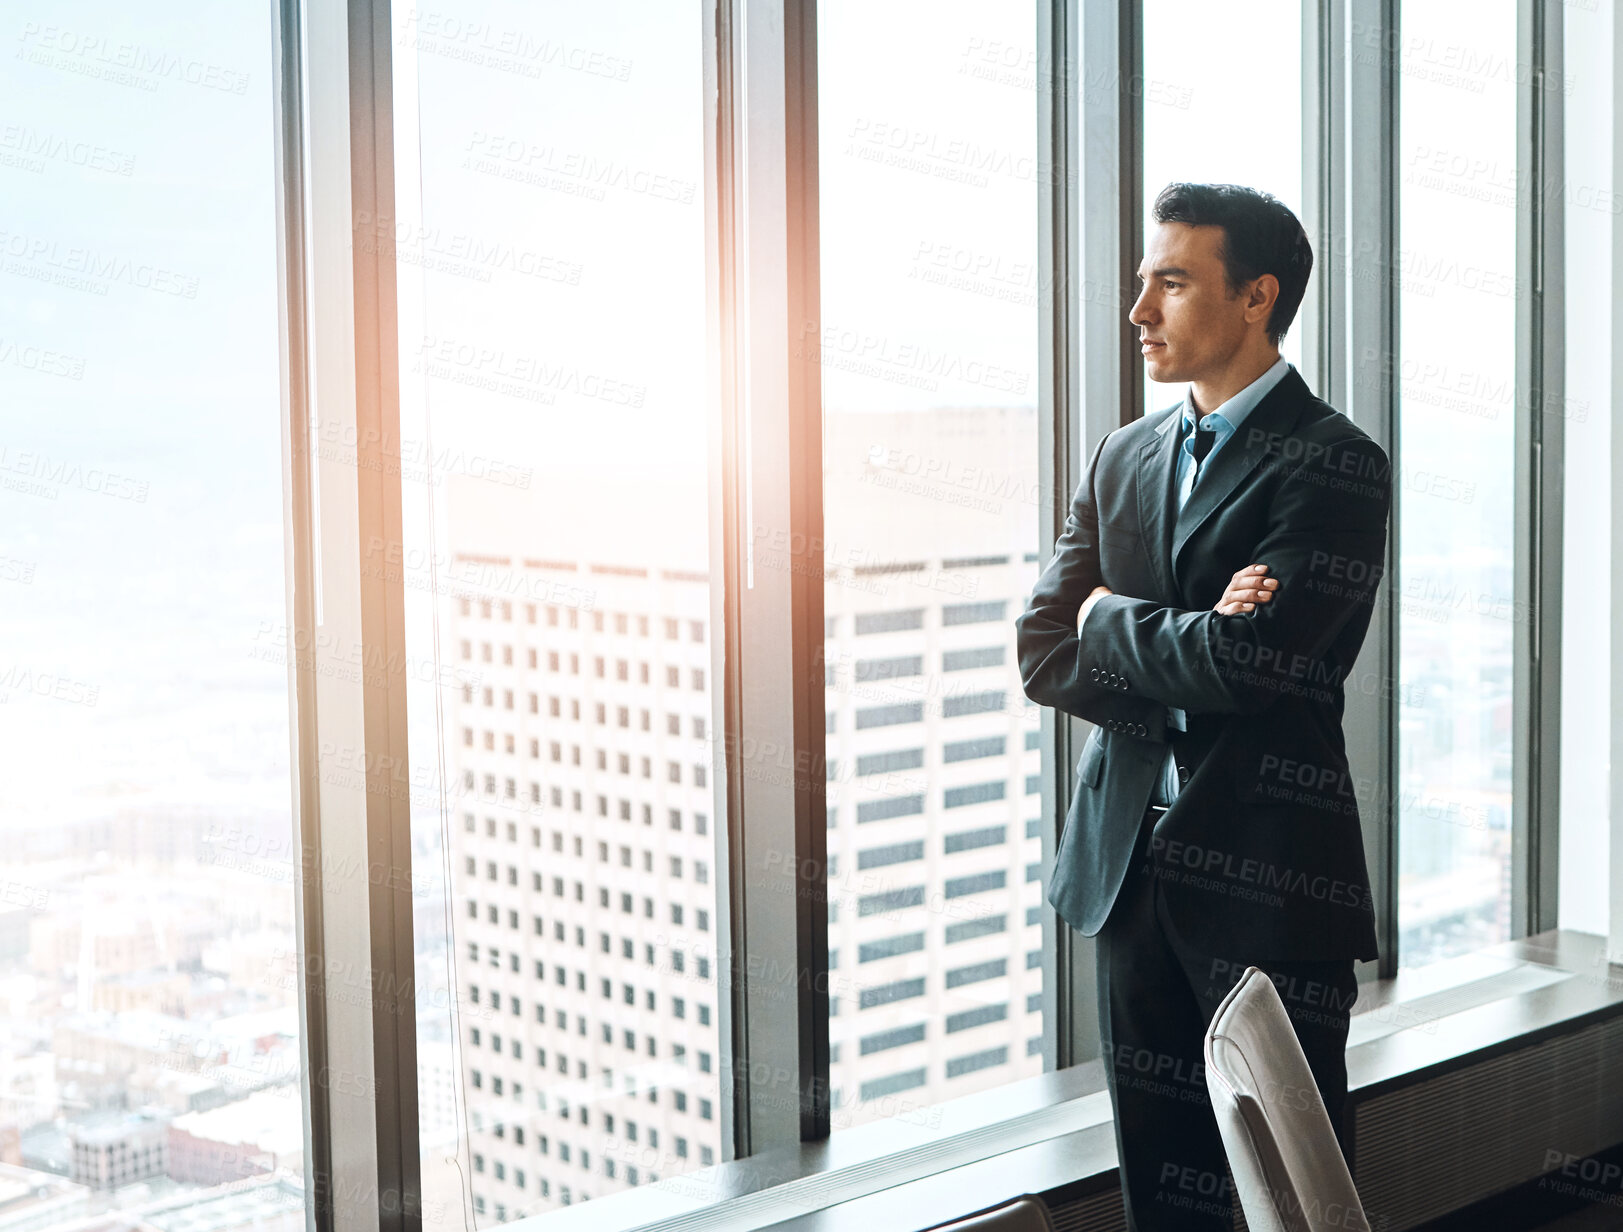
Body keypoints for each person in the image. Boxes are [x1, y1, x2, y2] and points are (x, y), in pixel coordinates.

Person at [1015, 181, 1391, 1231]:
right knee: (1163, 1195)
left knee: (1293, 1197)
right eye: (1145, 281)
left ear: (1257, 296)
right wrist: (1172, 628)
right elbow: (1044, 650)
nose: (1141, 310)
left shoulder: (1337, 462)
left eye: (1171, 282)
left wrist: (1110, 613)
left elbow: (1250, 668)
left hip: (1271, 883)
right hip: (1125, 882)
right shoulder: (1124, 455)